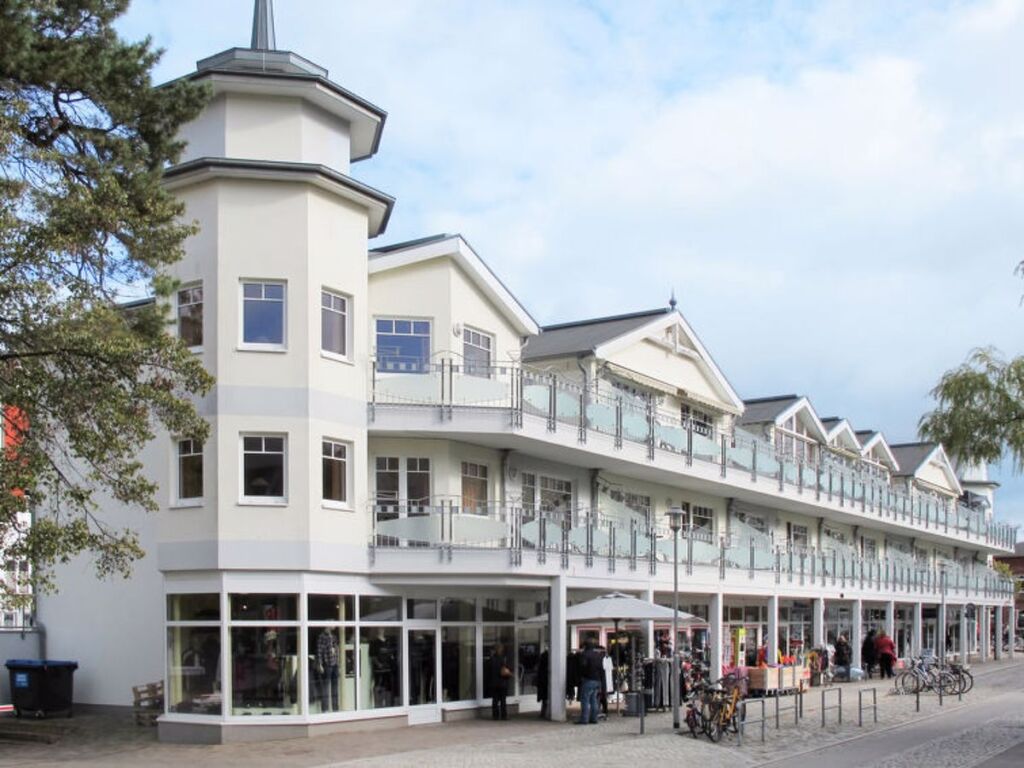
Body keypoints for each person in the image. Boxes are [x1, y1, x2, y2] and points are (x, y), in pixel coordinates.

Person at [577, 638, 604, 725]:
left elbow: (582, 667)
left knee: (585, 700)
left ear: (585, 646)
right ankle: (594, 718)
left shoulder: (584, 655)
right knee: (594, 700)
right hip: (597, 680)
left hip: (588, 679)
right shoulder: (598, 655)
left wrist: (582, 676)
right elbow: (601, 669)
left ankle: (584, 719)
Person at [488, 643, 511, 720]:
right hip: (502, 683)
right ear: (500, 650)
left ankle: (495, 715)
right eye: (501, 649)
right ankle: (504, 715)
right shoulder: (502, 659)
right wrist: (508, 675)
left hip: (493, 683)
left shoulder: (491, 660)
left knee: (495, 700)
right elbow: (505, 671)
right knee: (503, 700)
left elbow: (488, 672)